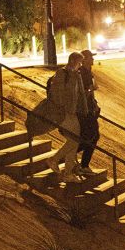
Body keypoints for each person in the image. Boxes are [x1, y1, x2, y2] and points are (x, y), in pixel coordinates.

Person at [35, 52, 87, 180]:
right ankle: (55, 160)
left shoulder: (76, 74)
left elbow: (80, 94)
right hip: (62, 113)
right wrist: (65, 109)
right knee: (75, 140)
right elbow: (57, 94)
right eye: (79, 62)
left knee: (74, 141)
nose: (80, 65)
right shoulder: (62, 73)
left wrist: (84, 109)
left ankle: (68, 172)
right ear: (73, 61)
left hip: (72, 112)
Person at [76, 50, 102, 175]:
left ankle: (81, 163)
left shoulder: (88, 72)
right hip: (84, 111)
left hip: (89, 109)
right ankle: (67, 156)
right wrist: (90, 89)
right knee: (91, 136)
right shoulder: (81, 74)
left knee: (92, 136)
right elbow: (82, 94)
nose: (93, 59)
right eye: (91, 57)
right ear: (84, 59)